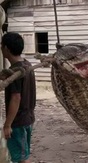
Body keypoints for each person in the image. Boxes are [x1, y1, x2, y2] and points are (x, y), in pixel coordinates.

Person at [1, 32, 36, 163]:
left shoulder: (16, 72)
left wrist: (7, 125)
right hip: (29, 118)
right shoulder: (27, 65)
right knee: (23, 155)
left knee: (20, 159)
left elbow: (16, 98)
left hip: (18, 122)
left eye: (1, 45)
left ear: (6, 49)